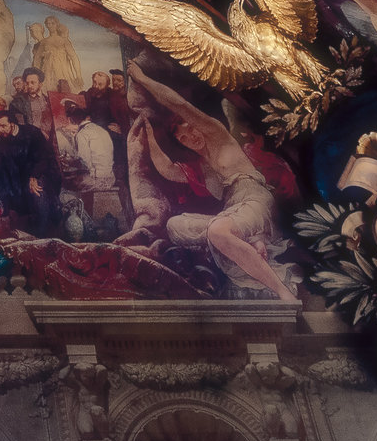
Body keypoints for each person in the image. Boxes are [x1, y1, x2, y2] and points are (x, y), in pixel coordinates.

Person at [122, 65, 297, 298]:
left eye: (190, 130)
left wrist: (143, 79)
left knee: (217, 232)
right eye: (183, 138)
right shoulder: (202, 167)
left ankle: (281, 290)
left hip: (255, 201)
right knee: (175, 225)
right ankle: (250, 243)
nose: (190, 137)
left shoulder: (219, 136)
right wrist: (149, 135)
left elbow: (179, 105)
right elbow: (167, 169)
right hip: (234, 213)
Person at [55, 99, 124, 237]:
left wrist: (69, 161)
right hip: (110, 177)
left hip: (95, 180)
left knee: (63, 191)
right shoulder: (101, 130)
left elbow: (84, 163)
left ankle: (82, 227)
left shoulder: (82, 134)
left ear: (73, 121)